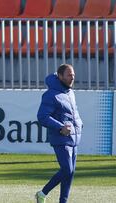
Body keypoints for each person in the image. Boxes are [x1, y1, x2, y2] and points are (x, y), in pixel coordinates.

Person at [36, 64, 83, 203]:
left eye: (73, 75)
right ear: (60, 76)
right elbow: (42, 116)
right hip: (60, 138)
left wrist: (80, 124)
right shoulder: (50, 94)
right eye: (69, 75)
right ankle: (42, 193)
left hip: (74, 137)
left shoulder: (70, 92)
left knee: (70, 173)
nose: (72, 77)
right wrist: (60, 127)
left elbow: (74, 113)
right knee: (67, 170)